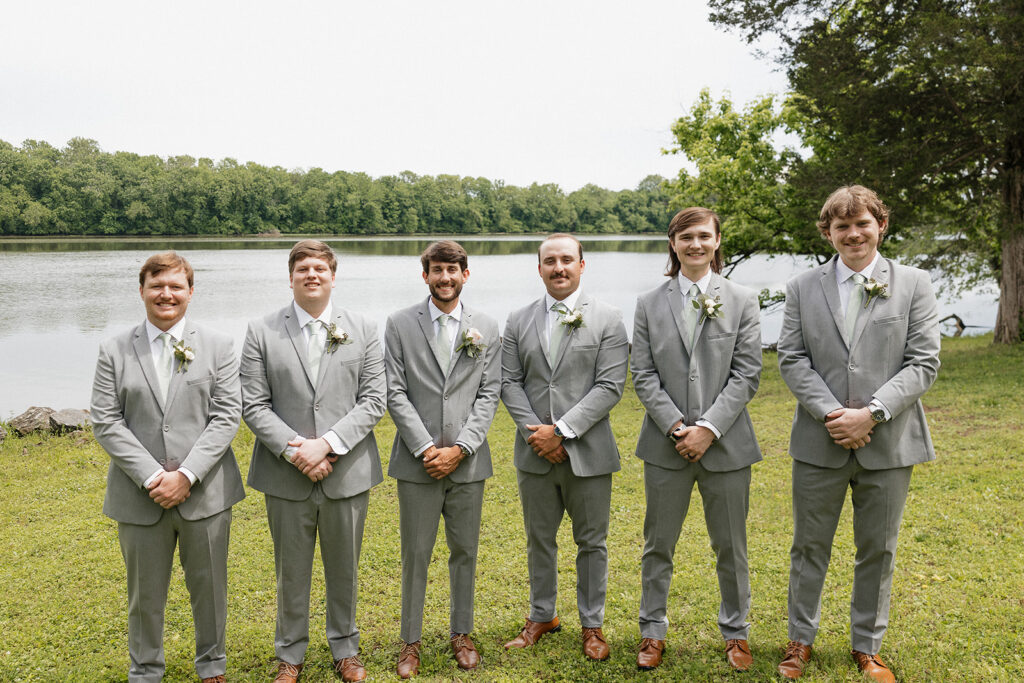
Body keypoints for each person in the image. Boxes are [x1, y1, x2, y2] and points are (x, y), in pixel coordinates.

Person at [776, 186, 940, 682]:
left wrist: (871, 413)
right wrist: (833, 415)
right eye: (842, 226)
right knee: (809, 546)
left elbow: (924, 361)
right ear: (828, 232)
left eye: (862, 223)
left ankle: (867, 646)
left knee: (878, 548)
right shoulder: (803, 287)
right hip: (818, 440)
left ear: (880, 225)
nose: (853, 234)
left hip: (888, 442)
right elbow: (792, 357)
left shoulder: (913, 283)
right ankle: (799, 642)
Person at [91, 251, 244, 683]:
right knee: (145, 594)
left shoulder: (218, 345)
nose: (166, 294)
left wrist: (187, 475)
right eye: (156, 285)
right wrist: (155, 477)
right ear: (141, 291)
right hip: (140, 496)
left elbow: (227, 415)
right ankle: (145, 670)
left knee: (210, 589)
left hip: (206, 492)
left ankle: (212, 667)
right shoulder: (114, 349)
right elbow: (106, 419)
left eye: (176, 286)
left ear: (191, 293)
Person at [241, 240, 386, 683]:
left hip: (347, 472)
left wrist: (327, 445)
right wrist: (297, 450)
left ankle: (346, 648)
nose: (312, 275)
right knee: (291, 570)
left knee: (345, 566)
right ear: (291, 277)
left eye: (320, 268)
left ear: (333, 276)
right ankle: (290, 655)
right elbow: (254, 404)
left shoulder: (363, 328)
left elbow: (374, 399)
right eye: (302, 268)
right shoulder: (261, 331)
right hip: (286, 474)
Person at [630, 207, 763, 671]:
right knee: (658, 543)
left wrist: (708, 428)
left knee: (731, 544)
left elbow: (747, 374)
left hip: (726, 445)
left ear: (717, 240)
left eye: (704, 236)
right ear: (673, 243)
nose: (695, 245)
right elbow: (643, 373)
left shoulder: (743, 299)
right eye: (685, 237)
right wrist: (675, 425)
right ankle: (651, 631)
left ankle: (736, 634)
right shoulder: (649, 303)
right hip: (665, 445)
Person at [500, 233, 629, 661]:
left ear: (582, 265)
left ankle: (592, 625)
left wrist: (564, 430)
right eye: (550, 261)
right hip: (534, 450)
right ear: (539, 268)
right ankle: (542, 616)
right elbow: (509, 382)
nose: (559, 268)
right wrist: (536, 433)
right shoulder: (518, 320)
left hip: (589, 451)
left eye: (567, 260)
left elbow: (610, 386)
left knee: (592, 542)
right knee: (540, 539)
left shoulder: (609, 319)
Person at [384, 240, 501, 678]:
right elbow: (394, 391)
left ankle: (462, 633)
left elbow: (489, 393)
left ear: (465, 274)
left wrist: (462, 447)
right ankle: (410, 642)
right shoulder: (398, 324)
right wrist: (426, 448)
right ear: (425, 275)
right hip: (417, 462)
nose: (445, 277)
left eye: (453, 270)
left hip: (468, 461)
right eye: (437, 270)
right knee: (415, 552)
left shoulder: (486, 325)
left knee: (464, 550)